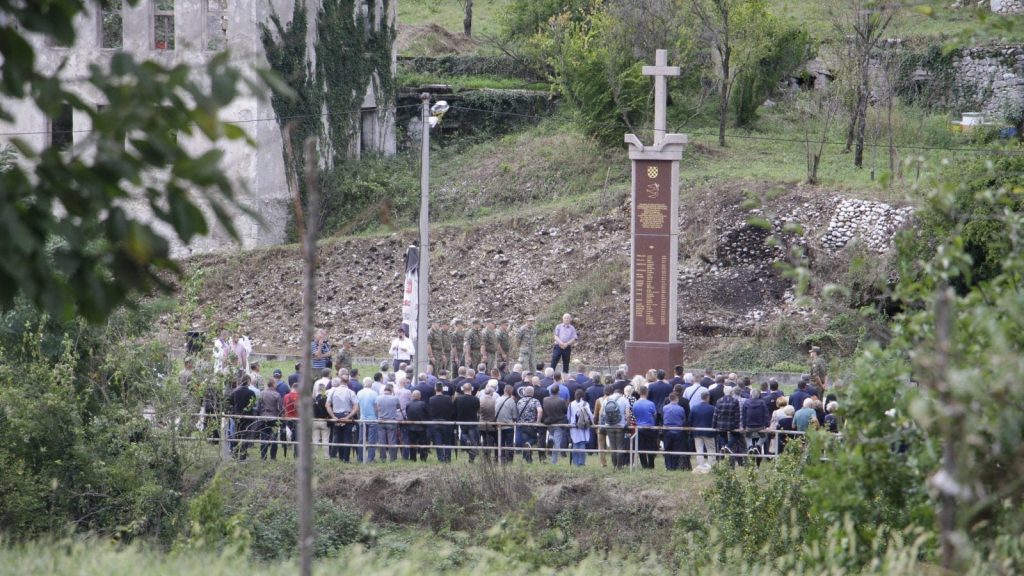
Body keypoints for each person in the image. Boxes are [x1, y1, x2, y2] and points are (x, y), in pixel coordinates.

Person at [600, 385, 630, 470]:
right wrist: (627, 424)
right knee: (620, 446)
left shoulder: (607, 399)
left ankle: (614, 465)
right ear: (621, 393)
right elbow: (627, 414)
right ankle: (619, 466)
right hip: (620, 426)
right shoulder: (624, 399)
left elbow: (602, 413)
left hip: (609, 425)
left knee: (613, 446)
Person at [328, 381, 358, 462]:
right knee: (347, 438)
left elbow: (327, 405)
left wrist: (333, 416)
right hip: (347, 415)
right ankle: (346, 458)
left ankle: (339, 456)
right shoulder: (351, 392)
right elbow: (356, 407)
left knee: (337, 437)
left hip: (336, 415)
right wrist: (348, 417)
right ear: (348, 384)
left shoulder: (333, 391)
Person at [712, 387, 742, 466]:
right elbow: (737, 415)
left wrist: (713, 425)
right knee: (735, 437)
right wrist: (736, 426)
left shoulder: (719, 401)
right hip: (731, 425)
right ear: (731, 392)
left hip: (721, 424)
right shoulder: (735, 401)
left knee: (722, 437)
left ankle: (723, 448)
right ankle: (727, 446)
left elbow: (715, 414)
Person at [229, 374, 257, 460]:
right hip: (247, 417)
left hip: (237, 416)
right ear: (248, 381)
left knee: (236, 434)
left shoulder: (235, 392)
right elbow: (253, 404)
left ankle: (234, 453)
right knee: (244, 435)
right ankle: (243, 455)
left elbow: (230, 402)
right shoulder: (251, 393)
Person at [514, 386, 543, 463]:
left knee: (525, 441)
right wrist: (538, 421)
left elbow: (516, 412)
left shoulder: (519, 401)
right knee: (534, 439)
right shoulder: (535, 401)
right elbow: (540, 411)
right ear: (532, 393)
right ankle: (529, 445)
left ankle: (528, 460)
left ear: (525, 393)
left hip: (522, 425)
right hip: (531, 425)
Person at [427, 382, 455, 462]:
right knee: (447, 441)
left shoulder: (431, 399)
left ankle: (441, 458)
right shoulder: (448, 398)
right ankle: (447, 458)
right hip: (446, 422)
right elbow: (451, 410)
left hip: (435, 422)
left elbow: (430, 411)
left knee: (438, 441)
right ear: (442, 389)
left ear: (435, 389)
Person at [542, 383, 569, 464]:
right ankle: (554, 462)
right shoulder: (561, 401)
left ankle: (550, 438)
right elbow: (565, 411)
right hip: (558, 423)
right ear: (558, 391)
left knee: (553, 437)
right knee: (556, 443)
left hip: (549, 422)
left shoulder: (545, 399)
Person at [454, 382, 481, 462]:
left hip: (462, 421)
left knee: (464, 434)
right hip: (473, 421)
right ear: (471, 389)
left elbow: (455, 409)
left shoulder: (458, 399)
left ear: (463, 389)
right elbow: (478, 410)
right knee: (473, 440)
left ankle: (467, 442)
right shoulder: (476, 399)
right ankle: (471, 458)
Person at [633, 385, 657, 469]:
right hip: (650, 427)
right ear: (647, 392)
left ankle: (644, 465)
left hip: (639, 427)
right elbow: (654, 415)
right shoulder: (651, 404)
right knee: (651, 446)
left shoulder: (635, 404)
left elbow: (635, 415)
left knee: (641, 447)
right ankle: (651, 465)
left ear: (639, 393)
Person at [258, 377, 283, 460]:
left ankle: (263, 457)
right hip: (274, 418)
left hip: (263, 417)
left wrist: (260, 414)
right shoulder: (277, 394)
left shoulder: (262, 393)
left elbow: (258, 406)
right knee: (274, 438)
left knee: (263, 437)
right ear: (273, 384)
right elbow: (280, 408)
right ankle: (273, 457)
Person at [375, 384, 401, 462]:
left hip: (381, 420)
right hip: (391, 421)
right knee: (392, 440)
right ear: (391, 390)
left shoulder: (378, 398)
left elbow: (377, 408)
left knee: (382, 440)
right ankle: (393, 458)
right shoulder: (395, 398)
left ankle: (383, 458)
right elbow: (398, 407)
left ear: (384, 390)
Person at [567, 389, 593, 466]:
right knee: (582, 444)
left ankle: (575, 462)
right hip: (583, 427)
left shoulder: (571, 404)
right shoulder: (585, 404)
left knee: (575, 444)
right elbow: (590, 415)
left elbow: (568, 416)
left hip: (574, 426)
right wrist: (593, 422)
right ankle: (581, 462)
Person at [690, 391, 716, 470]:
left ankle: (700, 465)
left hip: (697, 431)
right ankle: (712, 465)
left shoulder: (694, 408)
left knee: (699, 449)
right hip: (709, 431)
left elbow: (690, 420)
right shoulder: (712, 408)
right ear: (707, 397)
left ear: (701, 397)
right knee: (711, 449)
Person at [662, 392, 686, 471]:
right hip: (678, 430)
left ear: (669, 399)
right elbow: (683, 419)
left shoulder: (665, 408)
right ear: (677, 399)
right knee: (676, 449)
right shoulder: (681, 409)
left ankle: (668, 466)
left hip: (667, 430)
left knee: (667, 449)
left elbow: (663, 417)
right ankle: (675, 466)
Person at [494, 382, 517, 463]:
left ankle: (500, 459)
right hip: (508, 426)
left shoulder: (497, 399)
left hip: (498, 425)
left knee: (500, 443)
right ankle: (509, 460)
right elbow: (514, 416)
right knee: (509, 444)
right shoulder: (511, 401)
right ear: (510, 391)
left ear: (504, 390)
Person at [404, 390, 430, 462]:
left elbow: (407, 413)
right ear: (419, 396)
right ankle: (423, 458)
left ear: (412, 396)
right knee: (423, 443)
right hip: (421, 427)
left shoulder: (408, 404)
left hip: (411, 427)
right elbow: (427, 414)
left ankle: (413, 458)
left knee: (412, 444)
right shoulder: (423, 404)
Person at [478, 380, 498, 461]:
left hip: (482, 424)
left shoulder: (480, 401)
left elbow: (478, 412)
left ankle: (485, 456)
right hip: (492, 424)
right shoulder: (495, 401)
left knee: (485, 440)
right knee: (491, 441)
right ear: (492, 393)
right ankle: (490, 456)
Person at [282, 382, 299, 459]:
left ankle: (286, 453)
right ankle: (296, 455)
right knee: (297, 437)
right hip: (297, 418)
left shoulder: (286, 396)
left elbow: (284, 406)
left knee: (289, 435)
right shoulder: (299, 396)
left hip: (288, 418)